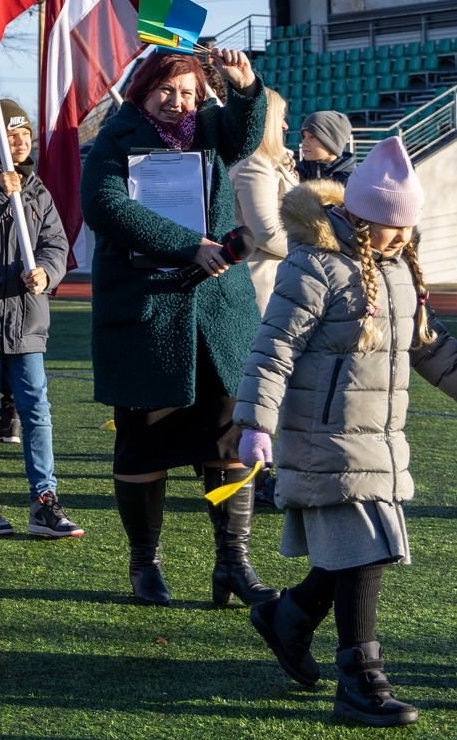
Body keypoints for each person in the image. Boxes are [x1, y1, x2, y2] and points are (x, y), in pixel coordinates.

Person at [238, 137, 457, 726]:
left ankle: (288, 618)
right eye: (388, 224)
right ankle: (359, 678)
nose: (400, 236)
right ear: (357, 213)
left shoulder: (398, 269)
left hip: (380, 438)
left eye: (407, 226)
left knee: (354, 554)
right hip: (326, 436)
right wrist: (255, 423)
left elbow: (428, 346)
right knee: (366, 553)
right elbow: (274, 347)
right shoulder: (314, 264)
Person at [82, 44, 276, 609]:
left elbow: (243, 135)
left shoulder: (206, 129)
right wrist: (188, 247)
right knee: (143, 446)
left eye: (188, 91)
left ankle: (234, 565)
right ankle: (145, 565)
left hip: (216, 315)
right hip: (146, 316)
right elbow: (104, 206)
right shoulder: (115, 138)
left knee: (228, 440)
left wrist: (244, 87)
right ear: (142, 89)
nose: (178, 101)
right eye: (167, 90)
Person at [0, 99, 80, 539]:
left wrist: (48, 271)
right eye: (11, 134)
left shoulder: (38, 189)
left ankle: (44, 501)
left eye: (25, 134)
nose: (21, 142)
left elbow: (56, 246)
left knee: (37, 411)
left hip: (27, 321)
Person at [232, 89, 298, 314]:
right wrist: (316, 248)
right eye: (281, 117)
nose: (285, 126)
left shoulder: (268, 161)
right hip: (265, 287)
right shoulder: (255, 163)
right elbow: (265, 233)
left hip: (278, 283)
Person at [296, 110, 356, 185]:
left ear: (332, 142)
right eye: (304, 136)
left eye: (312, 137)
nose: (304, 143)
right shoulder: (295, 176)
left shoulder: (353, 181)